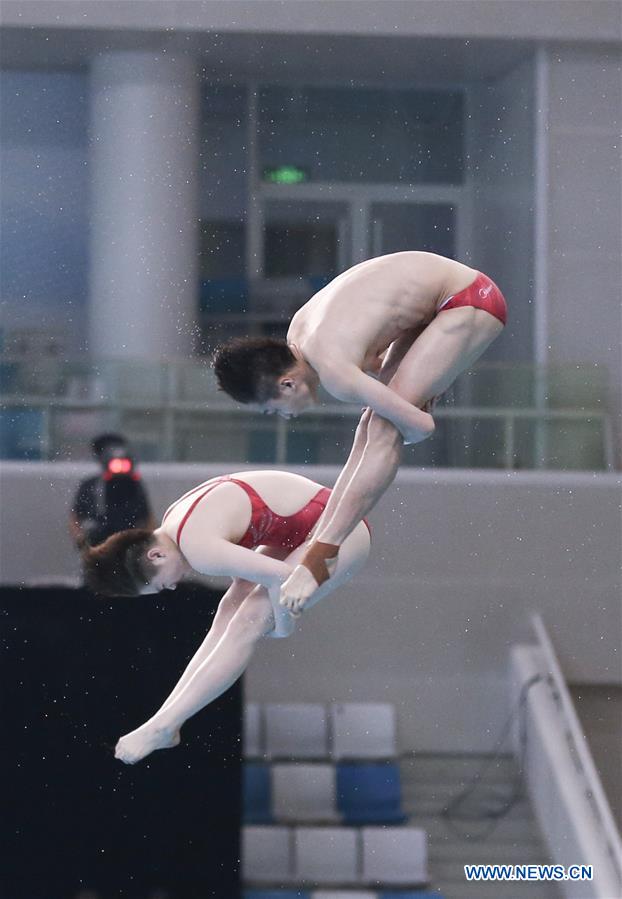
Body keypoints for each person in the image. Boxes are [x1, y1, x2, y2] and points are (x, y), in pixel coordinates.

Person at [213, 251, 507, 613]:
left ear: (288, 385)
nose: (283, 418)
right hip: (440, 298)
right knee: (372, 422)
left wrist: (412, 411)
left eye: (273, 409)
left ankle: (323, 552)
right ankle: (319, 538)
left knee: (382, 428)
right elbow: (374, 342)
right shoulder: (300, 332)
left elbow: (422, 427)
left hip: (469, 301)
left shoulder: (335, 372)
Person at [82, 469, 370, 764]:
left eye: (159, 585)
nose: (170, 587)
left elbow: (289, 580)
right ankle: (166, 720)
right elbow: (250, 579)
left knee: (250, 618)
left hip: (342, 532)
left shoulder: (200, 551)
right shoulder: (175, 519)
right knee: (230, 608)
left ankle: (164, 725)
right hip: (308, 522)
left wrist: (283, 625)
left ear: (155, 556)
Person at [69, 433, 155, 549]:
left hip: (129, 544)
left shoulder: (135, 485)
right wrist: (81, 539)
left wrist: (150, 541)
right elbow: (75, 516)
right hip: (99, 543)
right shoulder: (92, 486)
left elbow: (147, 516)